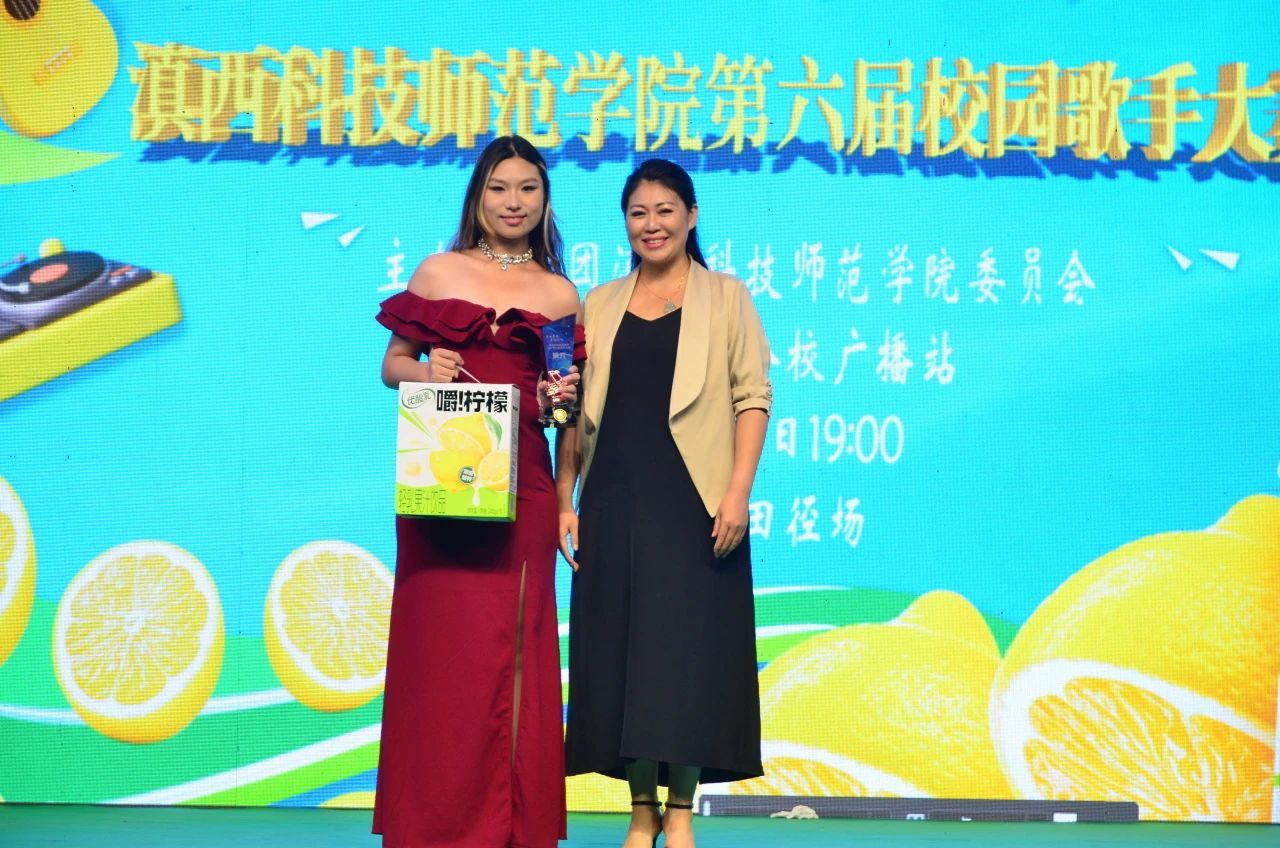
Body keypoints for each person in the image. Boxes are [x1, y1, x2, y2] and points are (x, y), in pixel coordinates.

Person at [375, 135, 583, 848]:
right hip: (443, 488)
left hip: (523, 491)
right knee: (439, 658)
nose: (513, 202)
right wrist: (425, 370)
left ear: (545, 200)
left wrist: (556, 412)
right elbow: (391, 366)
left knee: (512, 652)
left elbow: (566, 412)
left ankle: (509, 827)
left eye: (528, 189)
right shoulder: (439, 272)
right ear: (478, 195)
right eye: (499, 188)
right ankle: (430, 824)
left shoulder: (559, 293)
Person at [558, 160, 772, 848]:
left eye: (665, 210)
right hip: (614, 499)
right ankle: (641, 809)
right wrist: (565, 499)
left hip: (695, 500)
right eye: (638, 213)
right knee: (623, 655)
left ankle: (680, 811)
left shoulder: (727, 296)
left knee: (684, 657)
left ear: (692, 215)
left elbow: (752, 397)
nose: (651, 225)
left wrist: (737, 492)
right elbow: (570, 413)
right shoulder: (597, 302)